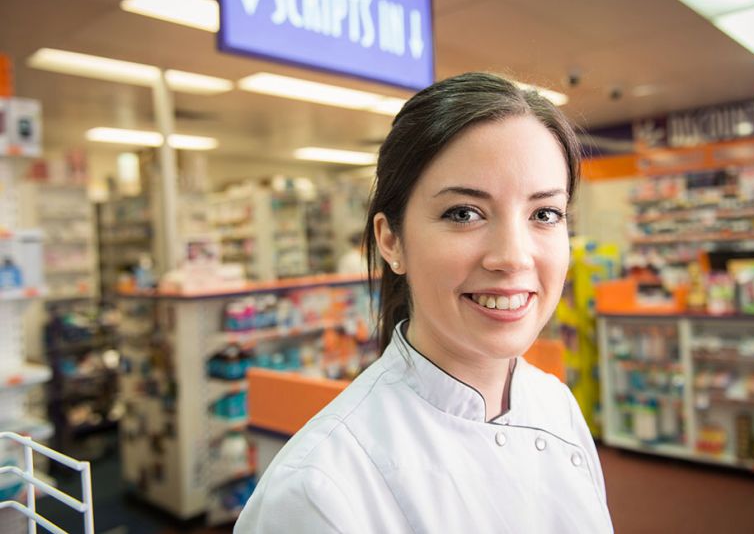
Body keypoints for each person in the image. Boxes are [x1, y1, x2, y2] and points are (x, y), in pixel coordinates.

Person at [235, 72, 613, 533]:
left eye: (544, 214)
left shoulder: (556, 405)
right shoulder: (320, 490)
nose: (513, 257)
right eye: (464, 213)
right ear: (391, 240)